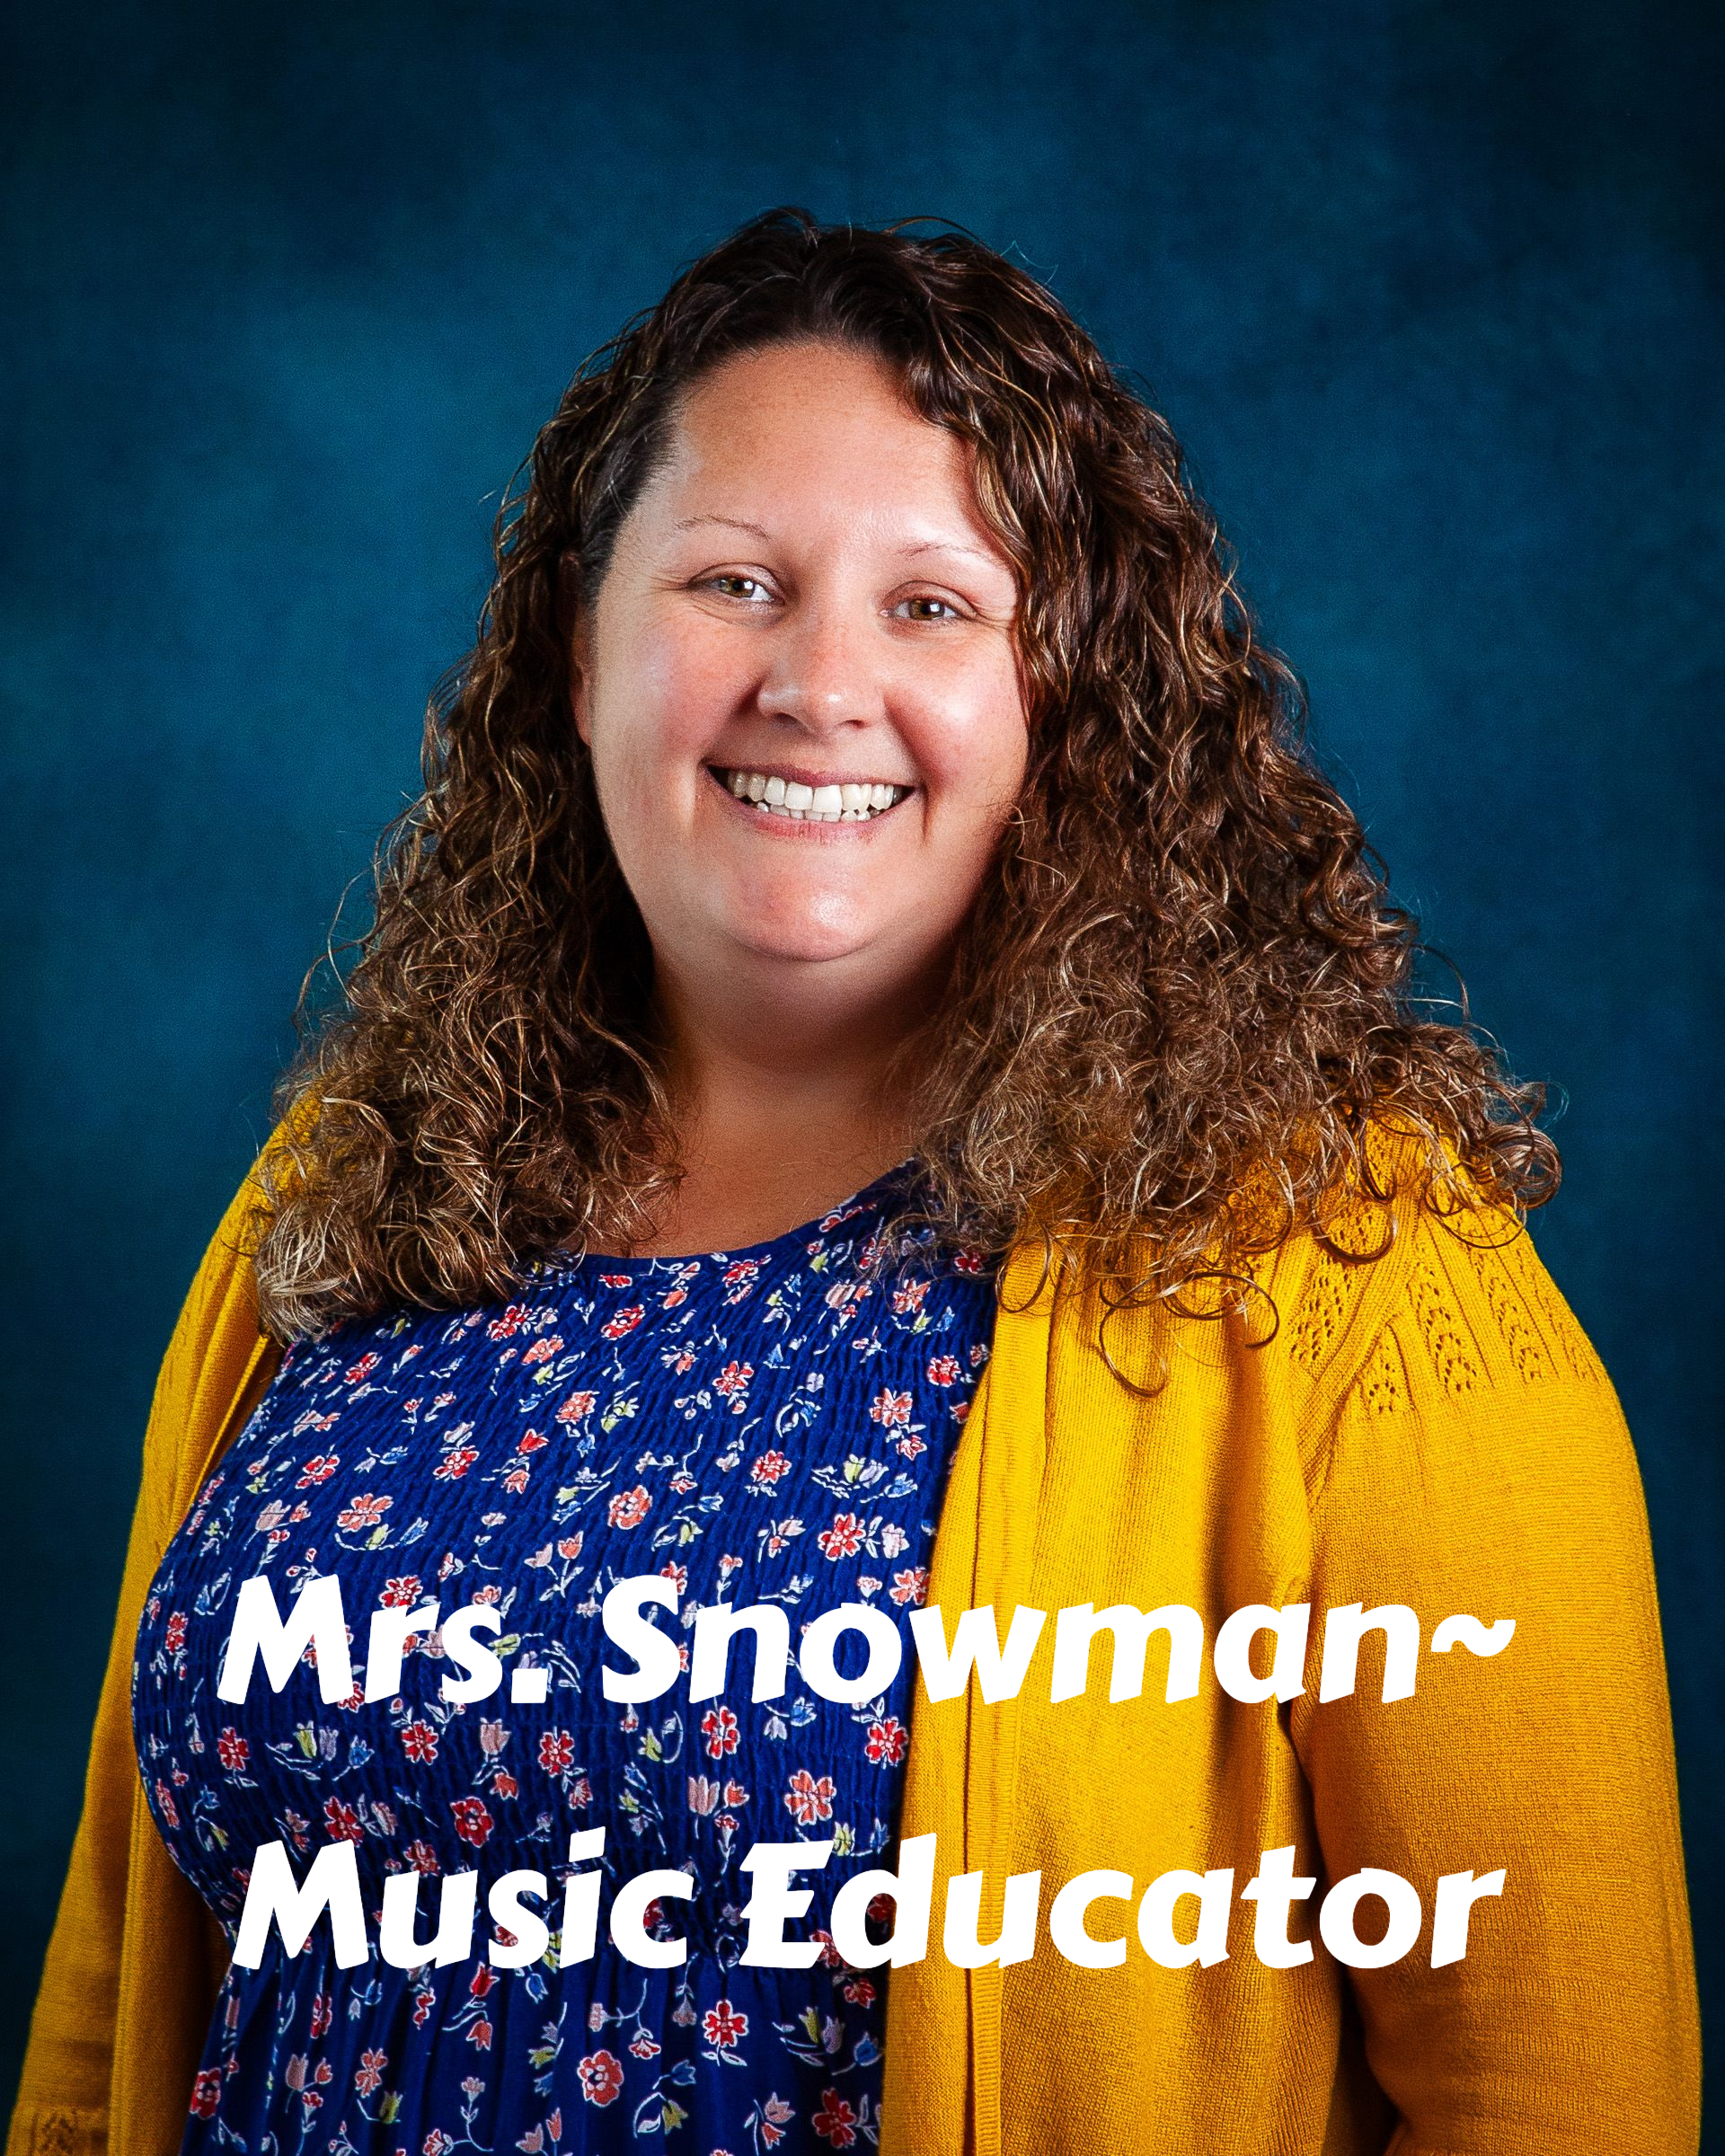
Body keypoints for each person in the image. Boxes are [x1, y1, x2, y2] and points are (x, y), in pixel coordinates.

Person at [10, 209, 1699, 2156]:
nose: (817, 684)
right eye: (734, 581)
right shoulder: (346, 1196)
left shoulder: (1354, 1269)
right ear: (579, 648)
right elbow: (114, 2001)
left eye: (933, 607)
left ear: (1062, 692)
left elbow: (1567, 2098)